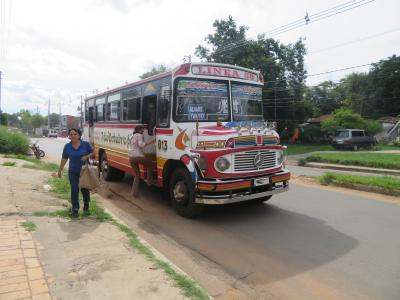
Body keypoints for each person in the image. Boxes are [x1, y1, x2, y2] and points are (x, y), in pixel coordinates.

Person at [52, 128, 95, 217]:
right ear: (69, 136)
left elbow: (93, 152)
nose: (73, 136)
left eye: (75, 134)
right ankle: (75, 208)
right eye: (71, 134)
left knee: (84, 189)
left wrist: (87, 156)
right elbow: (64, 159)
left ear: (79, 135)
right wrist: (59, 171)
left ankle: (86, 203)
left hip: (84, 171)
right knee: (74, 190)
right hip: (73, 171)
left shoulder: (85, 144)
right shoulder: (67, 146)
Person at [128, 125, 156, 197]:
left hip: (131, 157)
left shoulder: (133, 136)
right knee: (150, 163)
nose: (143, 131)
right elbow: (141, 145)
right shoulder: (139, 135)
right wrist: (152, 142)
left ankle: (134, 193)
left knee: (137, 176)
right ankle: (149, 181)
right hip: (137, 156)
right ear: (139, 130)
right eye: (142, 130)